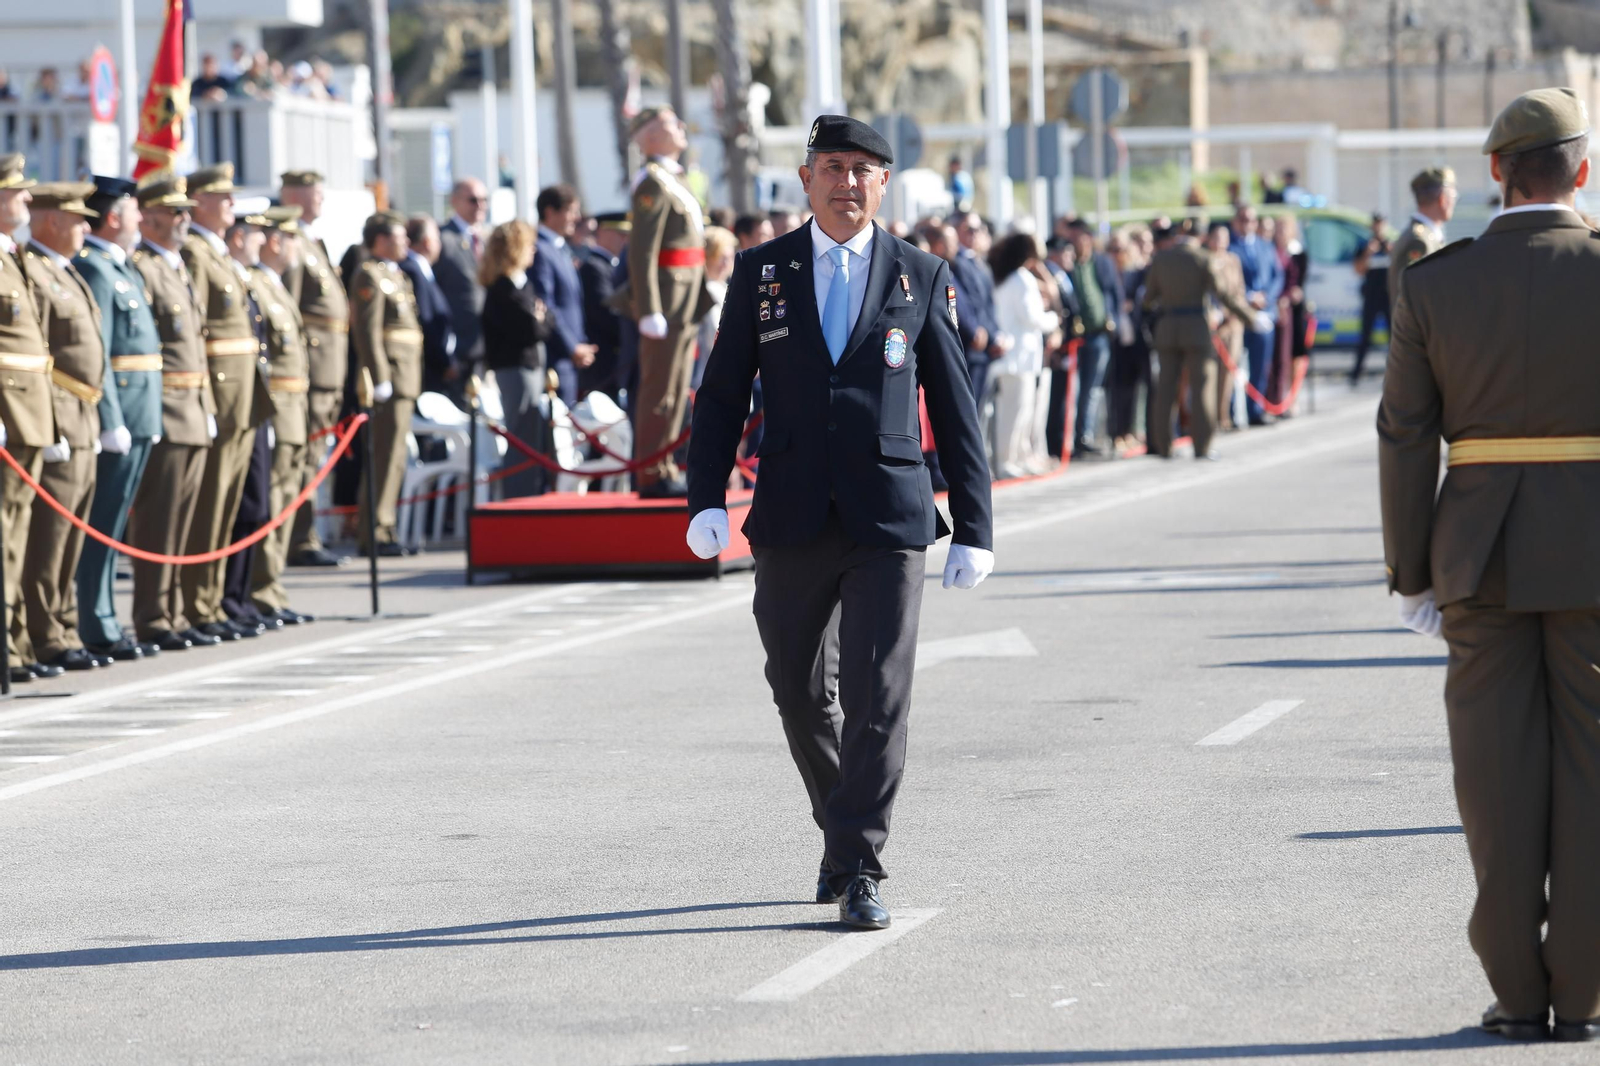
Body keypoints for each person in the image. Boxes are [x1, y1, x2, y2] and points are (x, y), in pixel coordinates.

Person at [685, 115, 994, 930]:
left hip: (889, 515)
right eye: (833, 167)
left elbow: (956, 410)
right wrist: (705, 498)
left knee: (876, 695)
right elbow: (720, 396)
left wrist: (976, 525)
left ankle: (859, 864)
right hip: (789, 511)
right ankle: (839, 827)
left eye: (863, 169)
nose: (847, 182)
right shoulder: (760, 272)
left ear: (883, 182)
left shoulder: (920, 274)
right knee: (795, 689)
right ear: (806, 177)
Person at [1379, 87, 1600, 1045]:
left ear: (1496, 175)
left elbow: (1403, 438)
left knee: (1495, 783)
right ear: (1583, 172)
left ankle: (1517, 992)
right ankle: (1584, 992)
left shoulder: (1436, 282)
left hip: (1478, 556)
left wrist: (1410, 574)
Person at [180, 162, 276, 642]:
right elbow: (198, 331)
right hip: (222, 394)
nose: (231, 206)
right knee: (213, 506)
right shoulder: (196, 254)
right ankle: (202, 602)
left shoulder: (216, 255)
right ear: (199, 202)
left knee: (236, 504)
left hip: (243, 395)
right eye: (223, 197)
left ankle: (219, 599)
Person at [72, 175, 164, 662]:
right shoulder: (95, 269)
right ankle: (97, 622)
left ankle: (106, 619)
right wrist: (110, 417)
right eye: (133, 211)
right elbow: (99, 354)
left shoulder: (120, 268)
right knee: (102, 523)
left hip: (142, 406)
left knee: (114, 522)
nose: (140, 220)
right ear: (113, 218)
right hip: (121, 410)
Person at [128, 172, 218, 652]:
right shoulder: (143, 266)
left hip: (193, 404)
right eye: (175, 210)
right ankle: (152, 615)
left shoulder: (176, 266)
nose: (184, 218)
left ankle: (175, 610)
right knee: (158, 522)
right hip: (165, 407)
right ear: (150, 214)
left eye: (187, 211)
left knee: (183, 520)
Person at [19, 183, 107, 671]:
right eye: (78, 219)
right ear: (51, 222)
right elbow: (40, 356)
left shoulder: (66, 272)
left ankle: (64, 625)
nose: (86, 228)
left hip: (84, 414)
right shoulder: (32, 271)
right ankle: (44, 633)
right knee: (48, 537)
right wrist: (50, 422)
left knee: (72, 532)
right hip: (58, 413)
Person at [0, 155, 66, 683]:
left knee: (18, 533)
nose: (26, 202)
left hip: (29, 410)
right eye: (17, 194)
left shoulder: (14, 256)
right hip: (9, 410)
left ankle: (17, 643)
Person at [627, 105, 709, 498]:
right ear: (649, 135)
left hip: (686, 296)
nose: (679, 127)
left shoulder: (676, 179)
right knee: (659, 388)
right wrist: (649, 309)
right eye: (668, 123)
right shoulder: (652, 183)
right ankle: (649, 472)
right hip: (667, 298)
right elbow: (642, 251)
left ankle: (663, 465)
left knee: (677, 387)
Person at [1142, 224, 1265, 461]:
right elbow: (1223, 294)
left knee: (1166, 388)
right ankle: (1202, 446)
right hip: (1196, 327)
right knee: (1202, 388)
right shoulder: (1203, 258)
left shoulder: (1162, 259)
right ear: (1199, 237)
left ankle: (1164, 445)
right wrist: (1249, 317)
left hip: (1168, 327)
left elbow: (1148, 298)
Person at [247, 205, 315, 626]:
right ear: (275, 241)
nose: (294, 247)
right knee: (271, 501)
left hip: (295, 405)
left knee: (286, 497)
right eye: (290, 238)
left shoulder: (275, 283)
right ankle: (261, 590)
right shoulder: (257, 283)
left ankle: (273, 586)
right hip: (277, 406)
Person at [278, 169, 348, 568]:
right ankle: (300, 538)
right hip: (312, 364)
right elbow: (288, 308)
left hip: (329, 366)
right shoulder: (292, 240)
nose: (321, 198)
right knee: (303, 456)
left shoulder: (311, 240)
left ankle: (307, 534)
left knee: (314, 455)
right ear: (295, 194)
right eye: (314, 192)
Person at [352, 213, 423, 555]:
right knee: (385, 454)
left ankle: (386, 527)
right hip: (391, 376)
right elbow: (368, 331)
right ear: (380, 240)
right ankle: (374, 531)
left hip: (406, 375)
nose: (405, 243)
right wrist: (379, 377)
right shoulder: (369, 274)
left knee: (396, 456)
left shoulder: (396, 274)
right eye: (398, 237)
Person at [218, 213, 275, 636]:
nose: (263, 242)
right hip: (229, 403)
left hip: (253, 401)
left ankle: (238, 598)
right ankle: (224, 600)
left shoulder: (245, 277)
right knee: (232, 509)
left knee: (255, 505)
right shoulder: (225, 272)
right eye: (257, 234)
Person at [479, 219, 553, 498]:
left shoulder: (520, 286)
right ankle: (518, 496)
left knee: (531, 435)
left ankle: (528, 492)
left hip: (529, 366)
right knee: (521, 436)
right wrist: (539, 318)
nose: (533, 250)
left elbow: (546, 321)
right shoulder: (503, 289)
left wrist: (541, 318)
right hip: (515, 369)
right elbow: (531, 328)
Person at [988, 233, 1059, 478]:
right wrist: (1053, 320)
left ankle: (1016, 457)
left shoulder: (1005, 277)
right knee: (1015, 412)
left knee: (1020, 411)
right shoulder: (1020, 278)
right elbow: (1032, 316)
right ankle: (1006, 461)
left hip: (1016, 356)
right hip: (1018, 357)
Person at [532, 184, 597, 408]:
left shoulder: (559, 248)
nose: (576, 218)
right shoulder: (541, 250)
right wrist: (572, 346)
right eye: (571, 211)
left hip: (569, 359)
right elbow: (547, 304)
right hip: (556, 357)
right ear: (550, 212)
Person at [1064, 219, 1124, 458]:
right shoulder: (1069, 266)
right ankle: (1071, 435)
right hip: (1076, 336)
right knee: (1074, 388)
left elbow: (1113, 292)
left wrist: (1114, 319)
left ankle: (1087, 434)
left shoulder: (1101, 262)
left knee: (1092, 387)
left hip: (1099, 334)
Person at [1230, 204, 1283, 425]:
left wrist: (1266, 298)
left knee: (1261, 365)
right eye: (1243, 219)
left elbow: (1277, 276)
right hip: (1240, 313)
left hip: (1264, 313)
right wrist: (1249, 297)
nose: (1248, 224)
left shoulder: (1265, 246)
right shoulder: (1231, 248)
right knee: (1234, 365)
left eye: (1251, 220)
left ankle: (1256, 410)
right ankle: (1231, 413)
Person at [948, 213, 1008, 406]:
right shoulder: (957, 263)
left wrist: (997, 335)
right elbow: (970, 305)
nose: (975, 234)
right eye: (969, 229)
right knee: (969, 407)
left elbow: (989, 305)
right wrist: (987, 335)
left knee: (980, 408)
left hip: (986, 348)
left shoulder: (980, 263)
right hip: (972, 346)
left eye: (978, 229)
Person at [399, 215, 459, 402]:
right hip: (429, 368)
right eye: (437, 239)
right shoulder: (413, 269)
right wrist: (444, 362)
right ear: (427, 242)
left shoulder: (420, 268)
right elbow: (426, 319)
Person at [1388, 167, 1458, 314]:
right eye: (1453, 197)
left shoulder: (1422, 235)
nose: (1454, 203)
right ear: (1443, 200)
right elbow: (1417, 301)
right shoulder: (1420, 241)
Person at [437, 178, 489, 370]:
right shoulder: (443, 239)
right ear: (455, 201)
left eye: (485, 200)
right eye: (473, 200)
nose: (481, 206)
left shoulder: (486, 240)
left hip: (484, 345)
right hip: (457, 346)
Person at [576, 212, 629, 400]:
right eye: (621, 234)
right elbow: (606, 312)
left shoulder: (613, 266)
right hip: (602, 364)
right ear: (603, 232)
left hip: (615, 362)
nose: (626, 239)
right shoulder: (594, 267)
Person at [694, 226, 738, 390]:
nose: (726, 263)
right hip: (713, 378)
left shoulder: (722, 287)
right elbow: (716, 336)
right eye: (719, 257)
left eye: (729, 257)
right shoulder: (709, 290)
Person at [1351, 212, 1390, 387]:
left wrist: (1393, 253)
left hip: (1389, 296)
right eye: (1376, 224)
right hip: (1371, 296)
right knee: (1365, 336)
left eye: (1381, 224)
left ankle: (1395, 374)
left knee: (1394, 337)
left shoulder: (1391, 244)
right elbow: (1358, 269)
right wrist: (1368, 253)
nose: (1378, 227)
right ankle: (1356, 374)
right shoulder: (1365, 245)